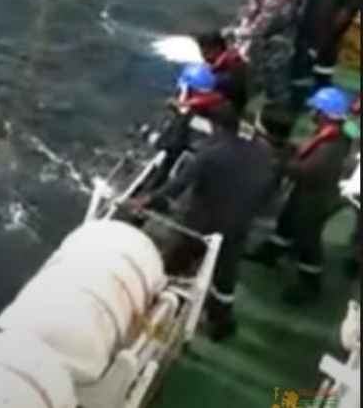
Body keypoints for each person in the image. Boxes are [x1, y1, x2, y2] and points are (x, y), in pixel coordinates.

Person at [130, 102, 280, 340]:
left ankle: (157, 311)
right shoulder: (261, 151)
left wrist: (144, 201)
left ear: (215, 126)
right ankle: (221, 323)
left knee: (173, 264)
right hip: (238, 225)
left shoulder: (211, 154)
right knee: (225, 277)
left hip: (203, 225)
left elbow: (176, 187)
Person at [245, 87, 354, 304]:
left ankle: (310, 282)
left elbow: (307, 172)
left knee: (307, 238)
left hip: (317, 198)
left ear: (324, 114)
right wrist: (291, 150)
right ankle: (271, 252)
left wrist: (280, 163)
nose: (311, 112)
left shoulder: (331, 146)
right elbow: (308, 153)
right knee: (287, 220)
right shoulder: (331, 133)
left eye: (315, 109)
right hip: (308, 192)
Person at [143, 63, 232, 193]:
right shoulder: (223, 110)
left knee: (170, 160)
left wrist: (147, 135)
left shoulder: (187, 119)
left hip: (196, 177)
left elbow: (168, 143)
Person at [239, 0, 301, 109]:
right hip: (290, 35)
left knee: (275, 77)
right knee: (279, 74)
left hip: (278, 44)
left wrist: (238, 32)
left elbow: (261, 28)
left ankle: (278, 109)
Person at [197, 31, 249, 114]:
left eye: (205, 50)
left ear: (217, 48)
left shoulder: (233, 62)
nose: (202, 54)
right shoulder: (215, 65)